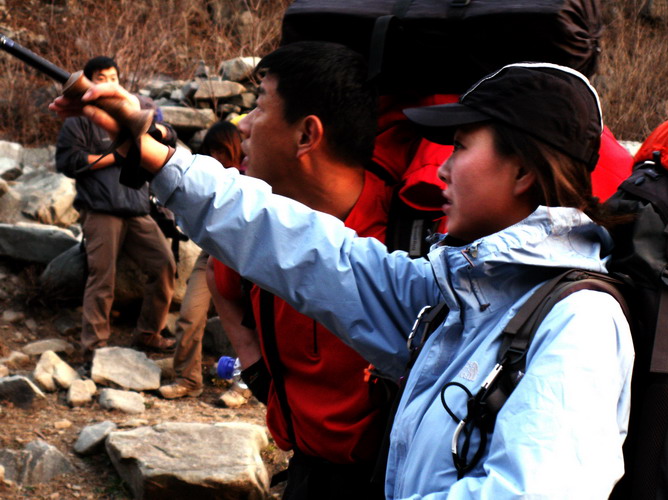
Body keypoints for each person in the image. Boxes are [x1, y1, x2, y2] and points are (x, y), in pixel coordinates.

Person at [51, 61, 634, 498]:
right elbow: (305, 250)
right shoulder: (455, 296)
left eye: (460, 147)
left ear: (524, 171)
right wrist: (160, 159)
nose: (443, 168)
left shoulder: (578, 324)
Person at [205, 42, 394, 498]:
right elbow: (219, 277)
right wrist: (256, 369)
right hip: (308, 473)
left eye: (259, 106)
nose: (243, 125)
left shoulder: (401, 238)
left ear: (306, 134)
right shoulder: (261, 228)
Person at [55, 56, 177, 362]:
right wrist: (119, 155)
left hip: (137, 209)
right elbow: (69, 161)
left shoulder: (135, 108)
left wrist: (147, 132)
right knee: (102, 278)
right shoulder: (79, 120)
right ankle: (94, 347)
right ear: (88, 82)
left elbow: (168, 136)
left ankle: (149, 333)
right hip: (100, 209)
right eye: (100, 78)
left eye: (113, 77)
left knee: (164, 265)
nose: (108, 83)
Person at [159, 121, 243, 399]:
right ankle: (188, 379)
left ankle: (242, 385)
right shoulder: (206, 174)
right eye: (212, 151)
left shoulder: (251, 172)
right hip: (212, 254)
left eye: (222, 151)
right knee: (190, 314)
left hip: (245, 256)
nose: (217, 156)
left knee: (248, 322)